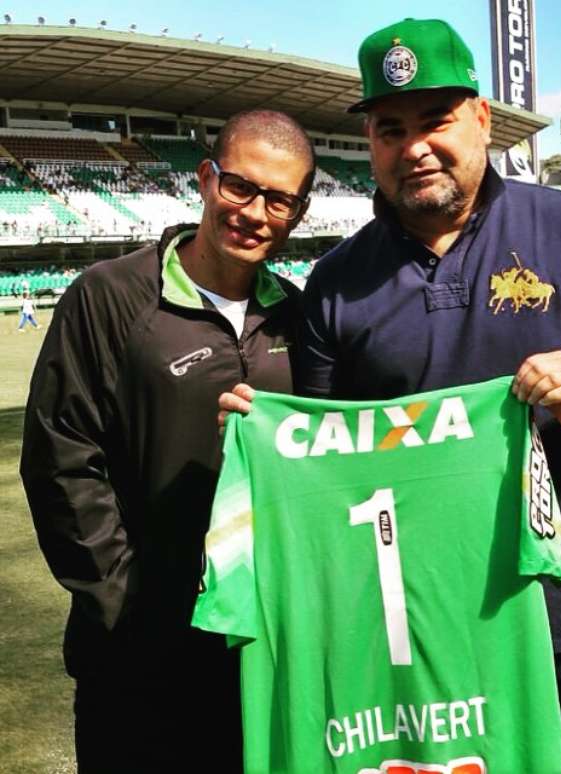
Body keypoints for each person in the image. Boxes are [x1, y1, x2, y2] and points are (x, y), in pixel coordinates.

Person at [220, 19, 561, 773]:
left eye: (434, 121)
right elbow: (322, 462)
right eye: (389, 128)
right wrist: (267, 434)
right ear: (371, 144)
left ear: (481, 119)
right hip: (422, 641)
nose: (413, 146)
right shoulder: (337, 284)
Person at [20, 108, 314, 774]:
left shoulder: (297, 314)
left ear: (297, 212)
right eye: (241, 186)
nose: (255, 212)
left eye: (279, 200)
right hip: (136, 653)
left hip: (258, 643)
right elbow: (63, 459)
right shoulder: (110, 296)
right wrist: (124, 603)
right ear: (207, 180)